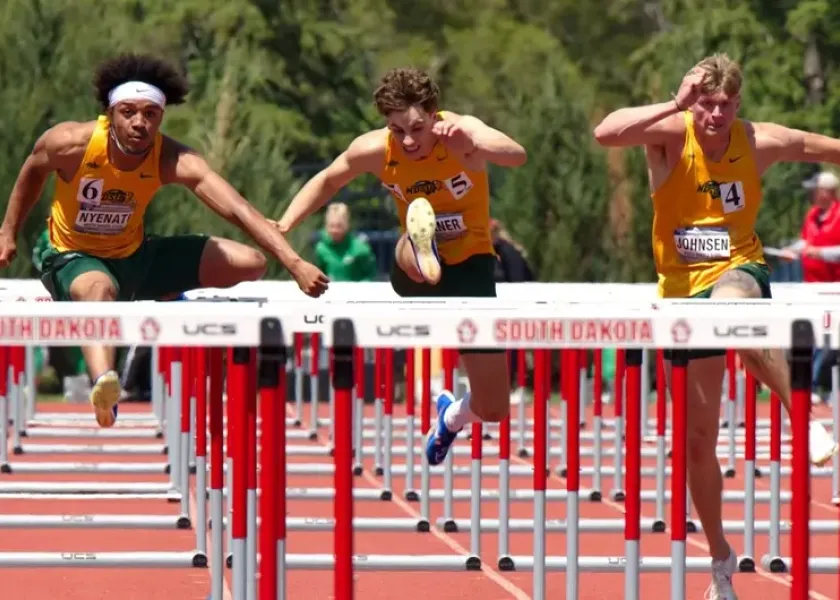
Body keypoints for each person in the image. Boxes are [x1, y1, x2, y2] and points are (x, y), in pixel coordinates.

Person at [593, 53, 839, 600]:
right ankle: (721, 560)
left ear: (738, 103)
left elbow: (818, 146)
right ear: (695, 101)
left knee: (734, 308)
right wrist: (676, 104)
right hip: (682, 294)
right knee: (698, 445)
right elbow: (605, 132)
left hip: (738, 270)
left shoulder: (756, 141)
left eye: (727, 105)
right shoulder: (670, 134)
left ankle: (803, 414)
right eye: (708, 104)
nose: (717, 115)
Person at [0, 53, 328, 428]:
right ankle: (105, 387)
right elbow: (31, 172)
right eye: (128, 112)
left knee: (250, 262)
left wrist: (295, 263)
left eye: (150, 114)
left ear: (160, 116)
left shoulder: (170, 157)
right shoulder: (71, 143)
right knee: (99, 287)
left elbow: (237, 208)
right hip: (72, 255)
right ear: (110, 113)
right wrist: (8, 232)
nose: (139, 122)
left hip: (135, 254)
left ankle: (167, 290)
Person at [274, 66, 527, 466]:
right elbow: (327, 180)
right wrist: (285, 224)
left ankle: (450, 417)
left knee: (494, 408)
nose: (407, 140)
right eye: (396, 130)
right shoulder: (375, 150)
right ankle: (419, 240)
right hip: (413, 268)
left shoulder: (460, 133)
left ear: (433, 115)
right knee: (413, 243)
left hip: (472, 264)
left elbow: (516, 155)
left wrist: (473, 138)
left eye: (416, 128)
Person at [314, 202, 378, 281]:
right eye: (331, 226)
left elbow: (371, 275)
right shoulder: (321, 249)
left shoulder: (360, 248)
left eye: (339, 226)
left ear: (347, 225)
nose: (335, 230)